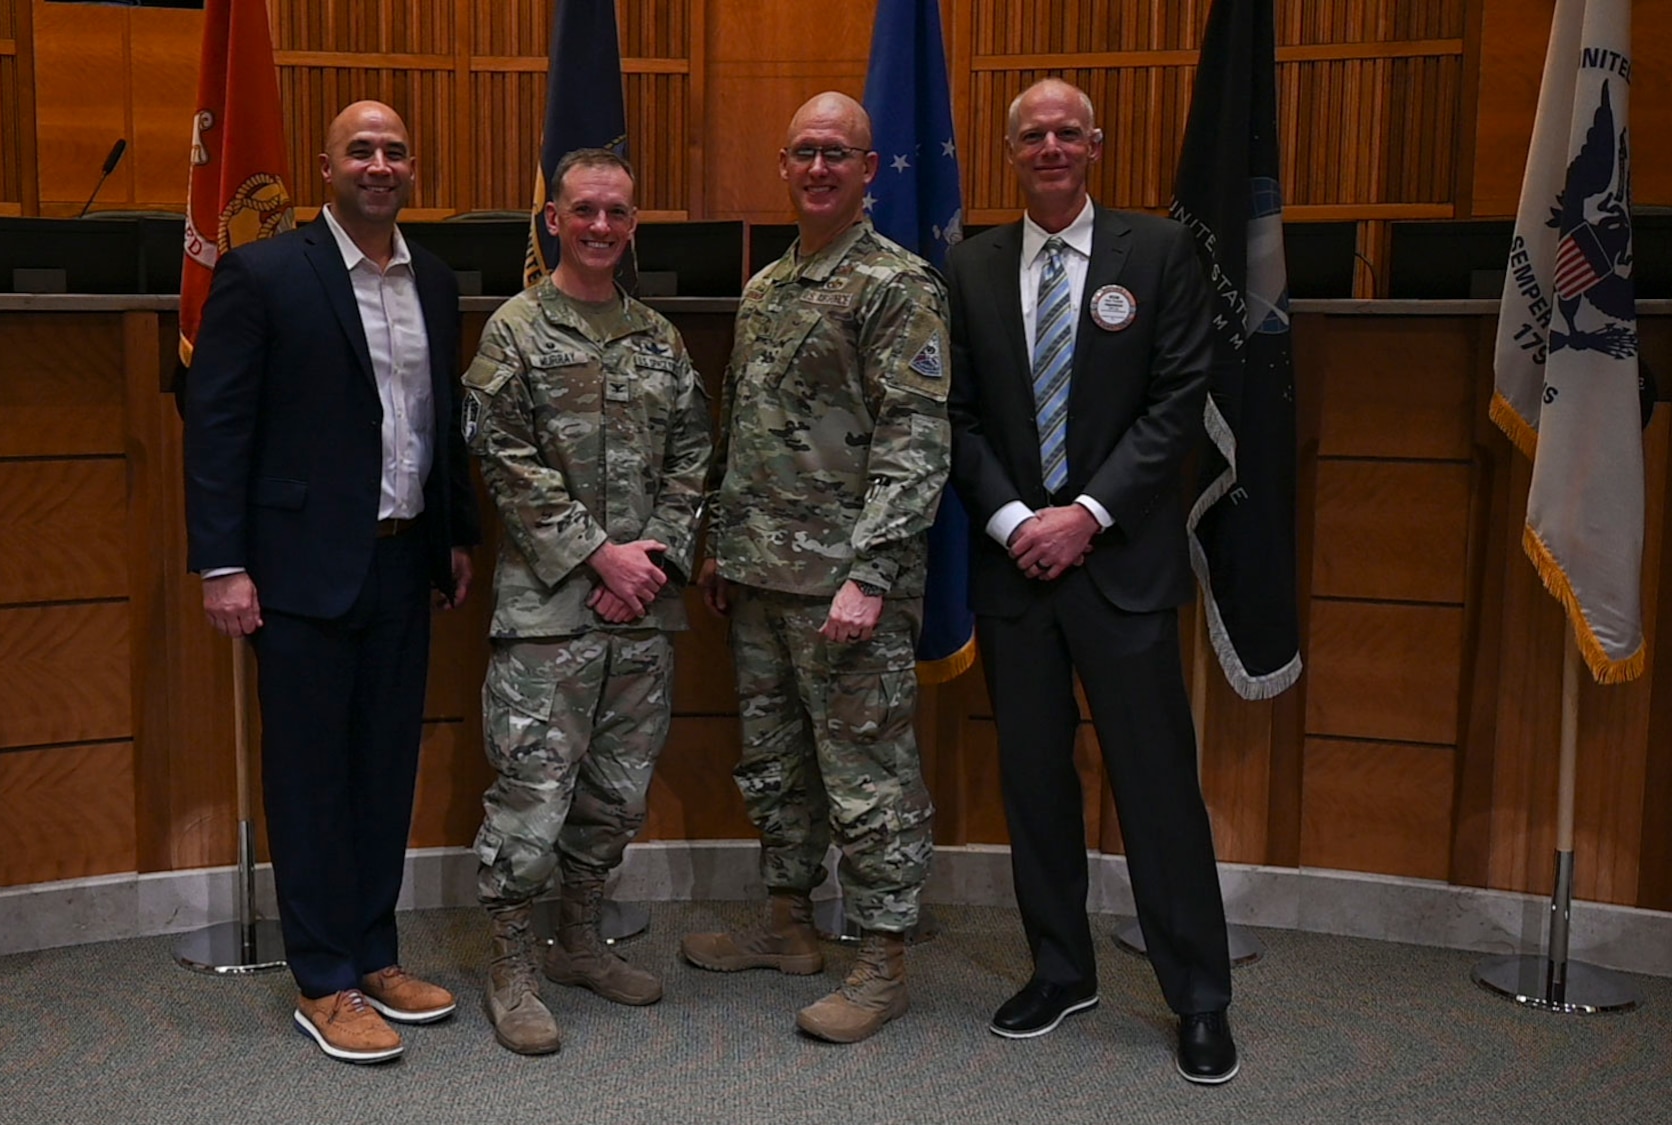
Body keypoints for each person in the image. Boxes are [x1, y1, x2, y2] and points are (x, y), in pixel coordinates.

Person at [943, 77, 1237, 1085]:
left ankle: (1198, 997)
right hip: (1015, 571)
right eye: (1033, 134)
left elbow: (1176, 400)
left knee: (1155, 792)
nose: (1051, 147)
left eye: (1068, 132)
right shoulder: (970, 264)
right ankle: (1060, 971)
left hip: (1118, 569)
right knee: (1032, 785)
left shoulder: (1154, 253)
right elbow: (956, 416)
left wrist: (1086, 516)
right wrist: (1019, 520)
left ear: (1095, 145)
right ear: (1011, 150)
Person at [183, 100, 478, 1065]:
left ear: (412, 166)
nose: (380, 163)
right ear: (326, 166)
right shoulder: (264, 273)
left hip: (402, 563)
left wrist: (453, 537)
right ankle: (325, 978)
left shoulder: (433, 280)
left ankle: (376, 951)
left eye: (396, 149)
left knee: (383, 772)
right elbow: (219, 426)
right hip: (298, 573)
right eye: (363, 149)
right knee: (310, 780)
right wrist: (221, 563)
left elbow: (438, 427)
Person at [680, 92, 950, 1045]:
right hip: (759, 576)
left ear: (869, 170)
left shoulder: (897, 284)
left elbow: (916, 440)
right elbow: (740, 426)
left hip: (846, 585)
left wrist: (873, 573)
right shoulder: (766, 287)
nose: (821, 167)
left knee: (868, 775)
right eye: (805, 152)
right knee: (775, 766)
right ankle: (787, 925)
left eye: (839, 153)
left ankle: (882, 961)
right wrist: (720, 540)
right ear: (784, 166)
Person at [461, 148, 710, 1056]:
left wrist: (653, 562)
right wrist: (600, 558)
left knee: (614, 797)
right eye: (584, 211)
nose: (601, 226)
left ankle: (578, 942)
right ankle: (513, 965)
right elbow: (506, 464)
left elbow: (693, 456)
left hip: (642, 613)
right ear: (553, 220)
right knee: (532, 797)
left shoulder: (659, 337)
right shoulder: (514, 332)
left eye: (617, 213)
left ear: (632, 224)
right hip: (549, 615)